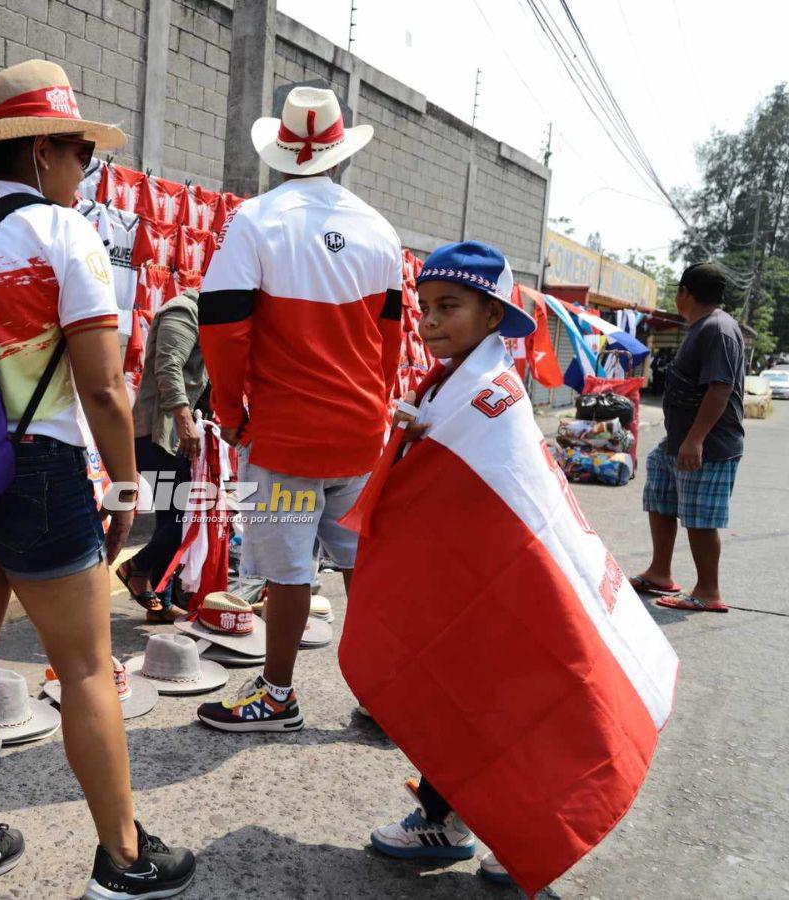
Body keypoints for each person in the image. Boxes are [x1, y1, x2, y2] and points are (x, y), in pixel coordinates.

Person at [0, 61, 195, 899]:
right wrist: (126, 486)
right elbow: (104, 388)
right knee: (84, 670)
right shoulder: (63, 234)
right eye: (82, 153)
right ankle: (123, 858)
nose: (87, 170)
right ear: (42, 150)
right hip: (37, 467)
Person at [194, 85, 403, 732]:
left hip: (284, 437)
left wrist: (230, 413)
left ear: (281, 153)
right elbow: (390, 342)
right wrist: (376, 410)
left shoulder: (254, 221)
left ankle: (278, 695)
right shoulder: (380, 230)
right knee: (361, 567)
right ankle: (384, 695)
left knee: (287, 574)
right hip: (360, 435)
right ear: (341, 154)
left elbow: (222, 328)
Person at [365, 241, 538, 886]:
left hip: (494, 582)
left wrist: (422, 448)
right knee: (454, 704)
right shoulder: (456, 378)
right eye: (425, 307)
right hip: (462, 579)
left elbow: (491, 484)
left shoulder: (489, 391)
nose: (431, 320)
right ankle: (447, 816)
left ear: (492, 314)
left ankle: (522, 834)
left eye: (449, 307)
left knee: (487, 710)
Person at [632, 262, 745, 613]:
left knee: (700, 516)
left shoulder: (718, 329)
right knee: (660, 496)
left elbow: (720, 388)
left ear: (685, 292)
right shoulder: (702, 327)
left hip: (709, 445)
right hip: (678, 440)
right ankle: (659, 572)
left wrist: (695, 440)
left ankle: (708, 591)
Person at [118, 288, 209, 622]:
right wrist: (185, 422)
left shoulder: (207, 318)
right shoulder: (183, 312)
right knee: (181, 521)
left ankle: (160, 601)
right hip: (160, 435)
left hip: (173, 438)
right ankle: (136, 567)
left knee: (172, 519)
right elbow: (168, 366)